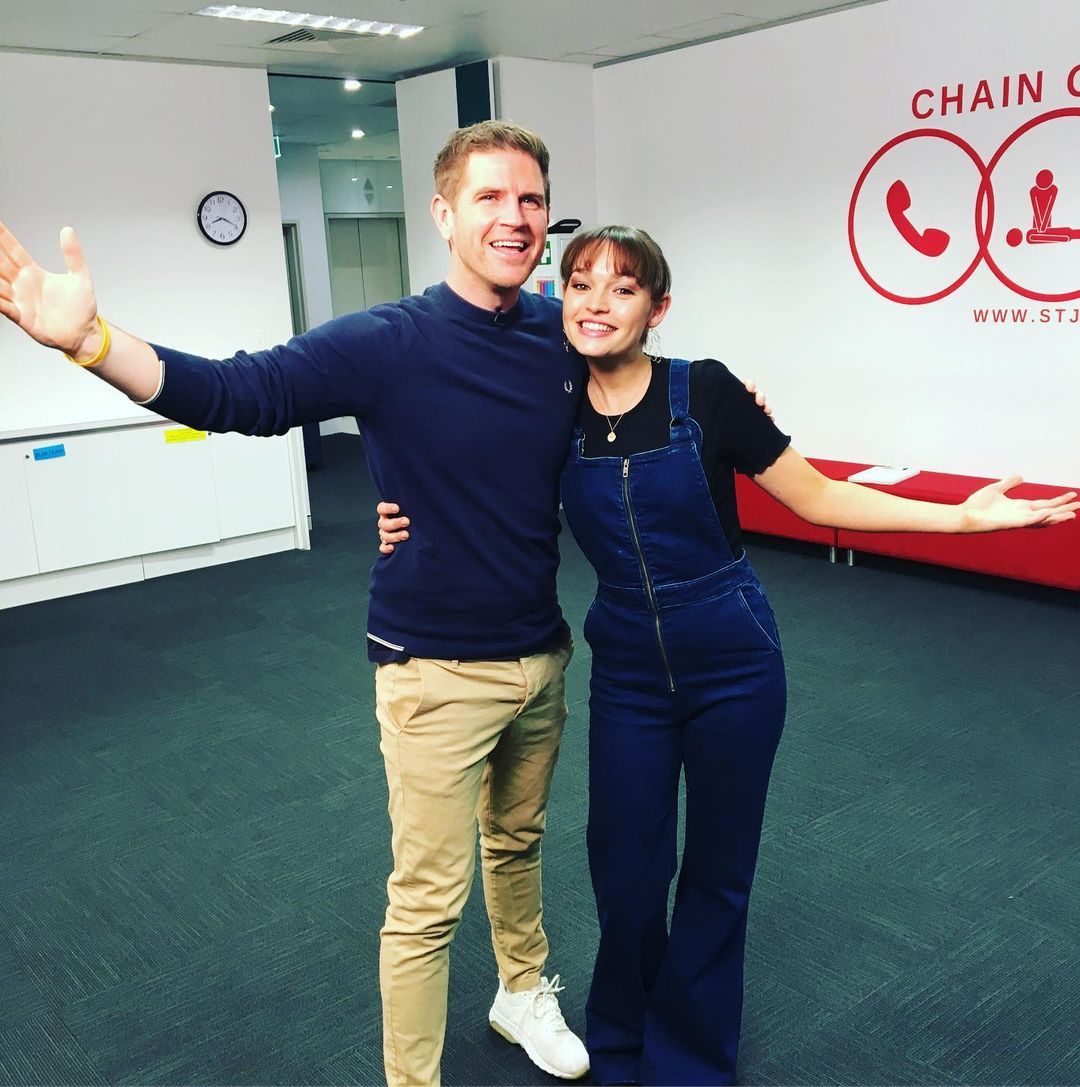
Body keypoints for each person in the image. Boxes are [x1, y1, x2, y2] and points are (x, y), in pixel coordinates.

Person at [379, 224, 1078, 1086]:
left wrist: (966, 518)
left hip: (735, 662)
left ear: (657, 307)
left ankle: (692, 1060)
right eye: (582, 284)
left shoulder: (705, 392)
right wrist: (399, 511)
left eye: (624, 288)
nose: (598, 303)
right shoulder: (550, 409)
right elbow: (464, 469)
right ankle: (621, 1043)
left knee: (717, 874)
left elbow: (819, 497)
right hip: (628, 672)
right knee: (627, 873)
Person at [0, 121, 594, 1087]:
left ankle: (520, 990)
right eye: (488, 196)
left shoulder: (561, 334)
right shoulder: (388, 341)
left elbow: (640, 399)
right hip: (435, 668)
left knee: (519, 842)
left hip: (542, 653)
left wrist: (738, 407)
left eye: (529, 199)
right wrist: (92, 342)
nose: (513, 217)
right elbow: (241, 391)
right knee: (427, 902)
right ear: (444, 214)